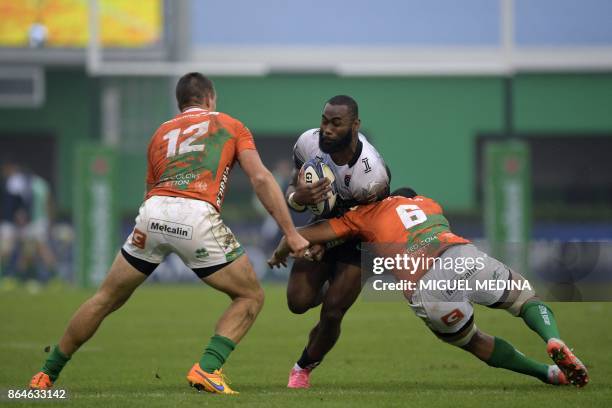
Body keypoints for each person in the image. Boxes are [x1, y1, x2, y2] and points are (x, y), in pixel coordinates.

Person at [29, 72, 308, 394]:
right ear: (210, 98)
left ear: (180, 103)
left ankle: (45, 376)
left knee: (105, 298)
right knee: (250, 295)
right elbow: (261, 178)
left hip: (153, 213)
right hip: (195, 215)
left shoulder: (160, 133)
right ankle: (207, 368)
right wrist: (291, 232)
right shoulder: (229, 125)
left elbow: (151, 189)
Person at [269, 188, 589, 388]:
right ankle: (553, 338)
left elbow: (305, 235)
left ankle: (547, 374)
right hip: (458, 255)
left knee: (474, 340)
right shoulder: (429, 204)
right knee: (523, 297)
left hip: (428, 286)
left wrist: (281, 254)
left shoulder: (364, 216)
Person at [284, 95, 390, 388]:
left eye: (336, 123)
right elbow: (295, 187)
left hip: (364, 236)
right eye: (324, 121)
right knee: (297, 301)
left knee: (332, 311)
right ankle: (330, 283)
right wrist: (298, 198)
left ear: (355, 125)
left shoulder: (371, 175)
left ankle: (303, 367)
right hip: (327, 226)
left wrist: (325, 243)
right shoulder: (308, 143)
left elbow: (367, 224)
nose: (327, 129)